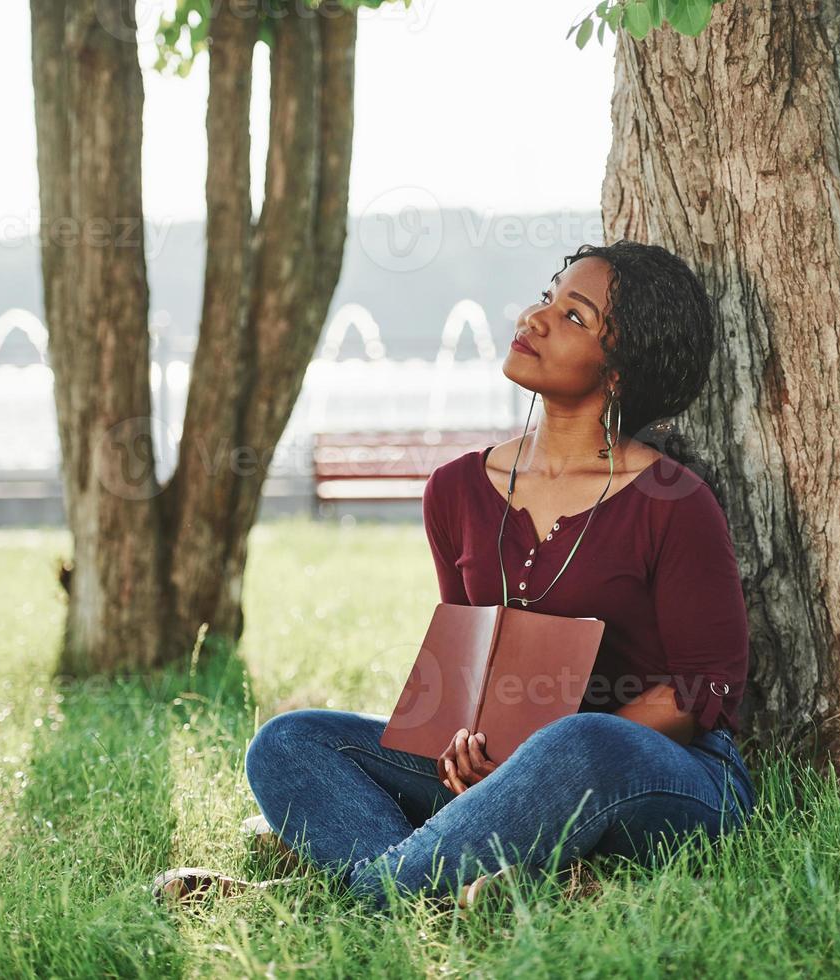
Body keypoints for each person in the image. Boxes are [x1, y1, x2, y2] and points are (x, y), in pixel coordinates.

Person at [153, 240, 756, 912]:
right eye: (549, 297)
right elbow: (471, 673)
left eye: (574, 317)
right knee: (289, 742)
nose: (536, 317)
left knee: (580, 740)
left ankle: (310, 899)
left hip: (650, 774)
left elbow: (703, 691)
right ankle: (480, 886)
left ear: (619, 371)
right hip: (497, 779)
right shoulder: (455, 490)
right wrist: (465, 749)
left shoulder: (674, 500)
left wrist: (535, 760)